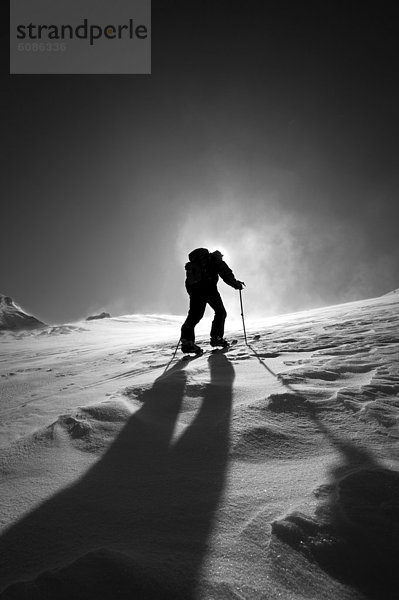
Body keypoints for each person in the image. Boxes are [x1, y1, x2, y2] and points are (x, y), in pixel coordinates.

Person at [180, 248, 244, 353]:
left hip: (195, 291)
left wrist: (193, 295)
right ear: (219, 256)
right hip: (209, 288)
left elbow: (188, 283)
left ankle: (187, 342)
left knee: (194, 316)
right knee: (220, 312)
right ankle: (216, 338)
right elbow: (226, 274)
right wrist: (236, 284)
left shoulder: (196, 265)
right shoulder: (216, 261)